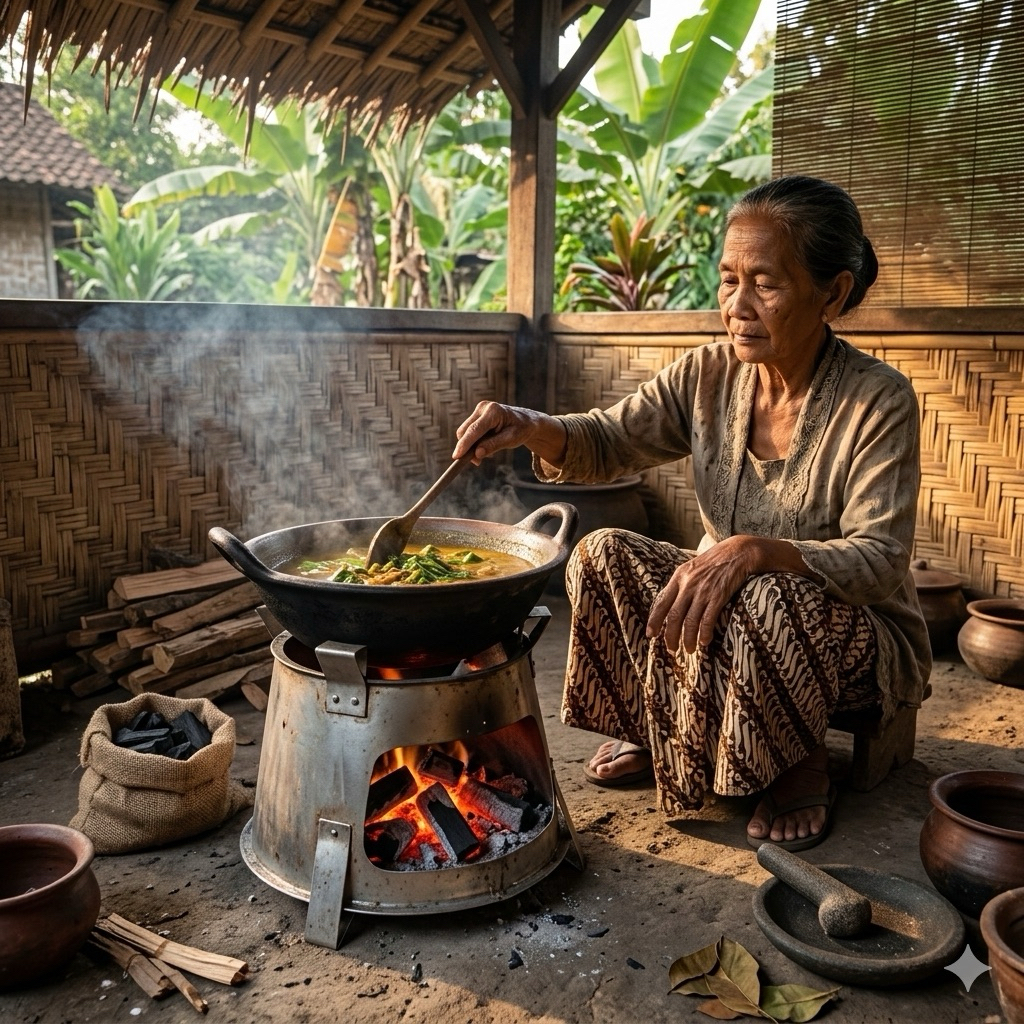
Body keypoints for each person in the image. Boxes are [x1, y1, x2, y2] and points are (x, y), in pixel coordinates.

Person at [452, 175, 931, 852]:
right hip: (738, 604)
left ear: (834, 293)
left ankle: (797, 761)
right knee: (602, 552)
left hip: (854, 632)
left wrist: (757, 550)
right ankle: (658, 726)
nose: (737, 304)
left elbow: (879, 561)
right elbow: (609, 440)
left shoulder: (877, 401)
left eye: (764, 282)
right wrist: (529, 424)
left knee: (766, 592)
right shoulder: (708, 374)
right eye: (728, 278)